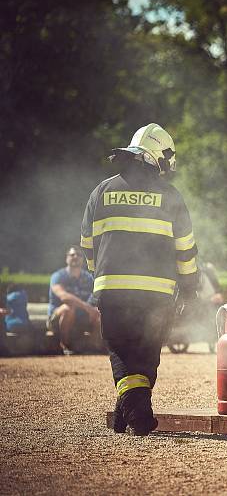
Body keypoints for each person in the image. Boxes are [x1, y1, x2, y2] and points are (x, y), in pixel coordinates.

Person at [80, 123, 200, 435]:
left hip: (112, 291)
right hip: (156, 295)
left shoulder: (101, 191)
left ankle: (126, 412)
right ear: (159, 155)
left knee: (122, 352)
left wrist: (100, 277)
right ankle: (140, 417)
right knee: (147, 355)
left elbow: (87, 246)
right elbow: (185, 250)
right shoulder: (170, 195)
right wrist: (189, 290)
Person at [48, 245, 101, 354]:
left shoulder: (88, 278)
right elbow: (64, 297)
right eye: (72, 255)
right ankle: (65, 346)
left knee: (99, 312)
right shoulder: (58, 276)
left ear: (83, 259)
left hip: (81, 318)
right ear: (67, 258)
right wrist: (87, 307)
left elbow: (96, 295)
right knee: (68, 308)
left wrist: (93, 309)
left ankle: (92, 348)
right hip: (57, 318)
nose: (75, 257)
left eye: (79, 255)